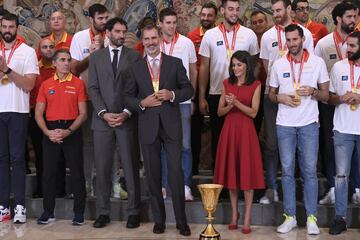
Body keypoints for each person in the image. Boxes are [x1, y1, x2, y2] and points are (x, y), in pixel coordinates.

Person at [124, 23, 193, 236]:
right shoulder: (134, 68)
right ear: (142, 42)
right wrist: (142, 103)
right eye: (147, 39)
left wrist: (171, 94)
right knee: (153, 175)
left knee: (175, 173)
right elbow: (127, 97)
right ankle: (159, 221)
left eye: (154, 38)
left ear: (160, 39)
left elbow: (188, 89)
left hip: (171, 125)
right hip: (148, 126)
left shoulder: (174, 63)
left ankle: (181, 221)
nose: (151, 43)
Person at [268, 24, 329, 235]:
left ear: (303, 39)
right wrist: (280, 98)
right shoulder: (278, 64)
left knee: (310, 172)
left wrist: (313, 91)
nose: (292, 44)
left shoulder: (317, 62)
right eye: (289, 40)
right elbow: (270, 94)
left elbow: (326, 95)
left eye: (295, 39)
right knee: (286, 171)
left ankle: (312, 217)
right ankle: (290, 216)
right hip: (284, 124)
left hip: (309, 124)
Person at [88, 17, 141, 229]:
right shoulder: (96, 57)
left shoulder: (135, 57)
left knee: (130, 167)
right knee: (102, 169)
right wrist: (103, 113)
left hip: (127, 120)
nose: (121, 35)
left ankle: (134, 212)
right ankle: (103, 212)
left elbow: (138, 89)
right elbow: (93, 88)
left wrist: (126, 112)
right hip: (102, 122)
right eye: (117, 31)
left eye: (124, 31)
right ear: (107, 33)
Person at [259, 0, 314, 205]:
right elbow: (266, 66)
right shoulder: (267, 36)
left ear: (289, 10)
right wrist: (277, 92)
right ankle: (271, 188)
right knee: (272, 144)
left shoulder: (304, 34)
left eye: (279, 10)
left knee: (302, 144)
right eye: (273, 11)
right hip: (273, 97)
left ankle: (299, 189)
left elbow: (310, 62)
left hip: (300, 96)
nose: (276, 14)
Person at [198, 0, 259, 168]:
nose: (234, 13)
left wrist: (249, 89)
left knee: (241, 140)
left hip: (243, 95)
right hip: (217, 93)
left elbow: (255, 64)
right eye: (231, 9)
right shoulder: (210, 35)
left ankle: (241, 180)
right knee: (219, 139)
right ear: (222, 10)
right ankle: (222, 186)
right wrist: (202, 96)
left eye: (237, 10)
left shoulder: (249, 34)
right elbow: (204, 67)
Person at [213, 50, 264, 234]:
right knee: (232, 177)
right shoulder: (227, 83)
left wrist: (236, 103)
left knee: (247, 177)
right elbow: (219, 112)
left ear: (247, 66)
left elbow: (253, 112)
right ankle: (235, 214)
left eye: (239, 65)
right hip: (229, 130)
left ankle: (248, 216)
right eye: (233, 65)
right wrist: (228, 105)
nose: (235, 68)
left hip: (246, 132)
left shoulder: (256, 85)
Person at [35, 49, 87, 225]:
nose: (66, 63)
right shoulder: (46, 84)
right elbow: (38, 113)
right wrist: (47, 132)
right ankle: (48, 212)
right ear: (55, 63)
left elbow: (83, 114)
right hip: (50, 131)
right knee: (48, 173)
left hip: (71, 129)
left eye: (68, 60)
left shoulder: (78, 83)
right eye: (62, 60)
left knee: (77, 173)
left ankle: (79, 213)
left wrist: (69, 131)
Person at [315, 2, 358, 205]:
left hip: (356, 105)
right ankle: (333, 188)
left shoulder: (358, 40)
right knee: (331, 145)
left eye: (355, 16)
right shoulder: (324, 44)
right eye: (349, 16)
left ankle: (356, 188)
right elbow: (315, 72)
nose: (353, 20)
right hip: (331, 102)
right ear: (339, 19)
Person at [0, 13, 39, 223]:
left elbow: (29, 85)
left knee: (17, 158)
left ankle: (20, 207)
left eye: (11, 27)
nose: (7, 30)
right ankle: (3, 206)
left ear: (17, 28)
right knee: (1, 160)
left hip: (18, 111)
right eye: (4, 26)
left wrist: (6, 69)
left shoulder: (28, 51)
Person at [158, 7, 197, 201]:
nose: (172, 26)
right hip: (160, 102)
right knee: (164, 145)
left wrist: (193, 98)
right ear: (160, 24)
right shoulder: (155, 44)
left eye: (174, 22)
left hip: (182, 100)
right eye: (168, 23)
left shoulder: (187, 43)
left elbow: (193, 71)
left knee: (185, 145)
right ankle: (164, 185)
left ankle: (185, 185)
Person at [70, 3, 109, 196]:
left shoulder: (111, 36)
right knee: (87, 142)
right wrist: (92, 55)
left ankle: (112, 182)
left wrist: (103, 50)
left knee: (111, 141)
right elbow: (74, 69)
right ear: (91, 19)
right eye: (100, 18)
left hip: (108, 99)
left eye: (105, 18)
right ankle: (86, 182)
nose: (104, 22)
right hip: (85, 97)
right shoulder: (79, 37)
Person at [328, 31, 360, 235]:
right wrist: (341, 98)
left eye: (353, 46)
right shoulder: (338, 67)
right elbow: (329, 98)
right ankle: (340, 218)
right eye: (347, 45)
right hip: (342, 128)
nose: (348, 49)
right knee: (341, 176)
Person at [187, 2, 217, 176]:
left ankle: (216, 167)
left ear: (215, 17)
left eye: (209, 15)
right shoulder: (191, 37)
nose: (205, 18)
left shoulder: (218, 35)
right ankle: (192, 168)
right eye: (203, 15)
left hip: (216, 86)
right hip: (197, 87)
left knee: (217, 128)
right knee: (195, 128)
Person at [30, 38, 56, 198]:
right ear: (40, 49)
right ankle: (41, 187)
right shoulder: (35, 69)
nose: (48, 49)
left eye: (51, 46)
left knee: (57, 155)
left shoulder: (61, 66)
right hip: (36, 115)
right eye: (44, 47)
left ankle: (59, 188)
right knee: (39, 153)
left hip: (56, 115)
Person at [250, 10, 269, 134]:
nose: (258, 24)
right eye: (254, 22)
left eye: (261, 21)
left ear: (267, 22)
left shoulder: (273, 38)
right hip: (254, 87)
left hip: (269, 86)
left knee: (269, 120)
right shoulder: (249, 40)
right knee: (254, 119)